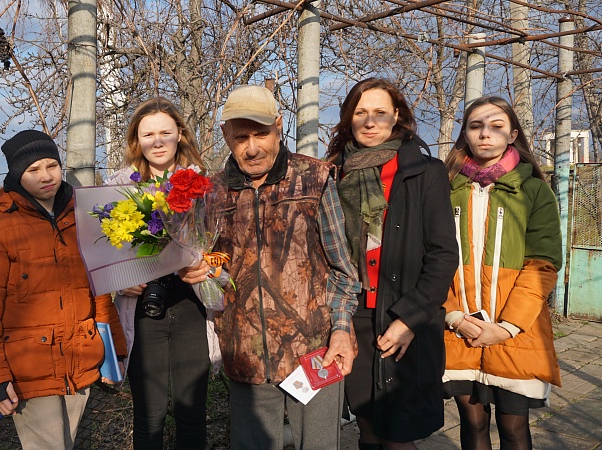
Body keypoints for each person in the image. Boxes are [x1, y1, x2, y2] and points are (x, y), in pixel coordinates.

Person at [181, 84, 361, 450]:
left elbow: (343, 270)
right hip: (246, 355)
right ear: (225, 134)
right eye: (240, 137)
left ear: (279, 126)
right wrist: (191, 273)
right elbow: (206, 267)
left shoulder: (315, 179)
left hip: (315, 351)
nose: (251, 148)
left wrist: (341, 330)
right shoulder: (210, 193)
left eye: (261, 134)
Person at [324, 78, 459, 450]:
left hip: (403, 315)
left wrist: (410, 319)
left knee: (398, 435)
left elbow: (444, 254)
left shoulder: (423, 171)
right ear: (349, 118)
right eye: (361, 113)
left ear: (397, 116)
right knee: (366, 427)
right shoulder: (333, 173)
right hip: (353, 316)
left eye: (380, 113)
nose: (370, 122)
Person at [0, 130, 127, 450]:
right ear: (17, 174)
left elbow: (100, 294)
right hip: (29, 373)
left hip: (82, 362)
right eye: (33, 170)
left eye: (52, 165)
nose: (46, 176)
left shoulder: (84, 215)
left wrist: (115, 352)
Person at [442, 96, 562, 450]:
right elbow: (430, 258)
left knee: (513, 428)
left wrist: (506, 327)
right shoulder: (444, 187)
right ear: (465, 134)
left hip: (516, 332)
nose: (485, 134)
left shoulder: (533, 190)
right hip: (458, 330)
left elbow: (542, 264)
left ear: (512, 135)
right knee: (473, 423)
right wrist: (453, 316)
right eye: (475, 126)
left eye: (496, 126)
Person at [106, 98, 211, 450]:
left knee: (191, 413)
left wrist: (206, 264)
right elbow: (103, 253)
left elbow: (222, 244)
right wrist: (121, 278)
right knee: (149, 415)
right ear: (137, 140)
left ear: (179, 134)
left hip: (190, 304)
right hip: (142, 308)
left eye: (165, 132)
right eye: (148, 134)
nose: (158, 141)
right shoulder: (117, 187)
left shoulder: (202, 185)